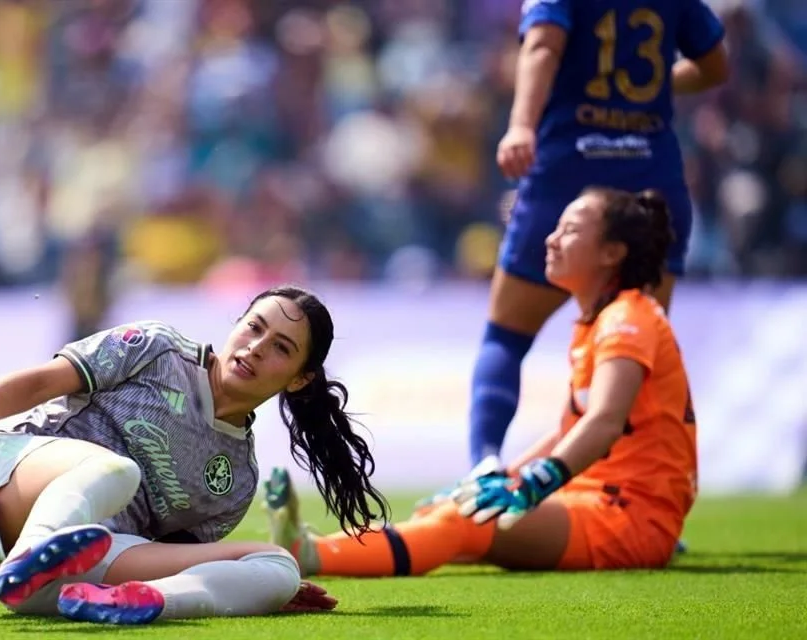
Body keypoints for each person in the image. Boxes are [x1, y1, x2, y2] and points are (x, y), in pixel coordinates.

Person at [267, 188, 699, 575]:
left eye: (569, 230)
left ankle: (310, 555)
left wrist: (538, 481)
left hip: (630, 517)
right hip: (599, 503)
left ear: (611, 253)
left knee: (464, 520)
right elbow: (573, 428)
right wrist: (509, 476)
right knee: (451, 508)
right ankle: (311, 549)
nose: (551, 238)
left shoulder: (627, 318)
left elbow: (603, 422)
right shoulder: (603, 321)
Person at [0, 285, 389, 624]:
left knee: (279, 566)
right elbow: (44, 381)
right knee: (116, 471)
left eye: (281, 347)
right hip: (2, 484)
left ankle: (144, 603)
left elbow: (175, 555)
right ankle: (33, 555)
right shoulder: (157, 349)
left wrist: (250, 586)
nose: (257, 348)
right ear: (236, 323)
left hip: (70, 572)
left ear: (300, 378)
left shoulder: (237, 479)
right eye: (254, 327)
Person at [457, 0, 728, 483]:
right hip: (650, 180)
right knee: (638, 349)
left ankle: (485, 465)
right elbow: (715, 65)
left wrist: (520, 125)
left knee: (507, 334)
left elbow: (541, 46)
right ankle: (637, 492)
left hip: (567, 177)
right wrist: (652, 90)